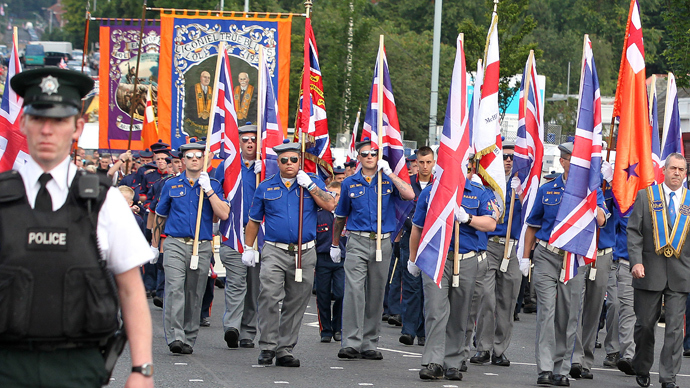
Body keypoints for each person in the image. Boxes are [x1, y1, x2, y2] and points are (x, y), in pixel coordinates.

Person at [0, 67, 154, 387]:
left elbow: (131, 289)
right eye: (38, 118)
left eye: (58, 120)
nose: (47, 130)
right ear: (24, 122)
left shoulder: (103, 201)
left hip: (78, 366)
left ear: (77, 127)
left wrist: (142, 370)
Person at [243, 140, 335, 367]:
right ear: (278, 162)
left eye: (294, 159)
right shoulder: (266, 186)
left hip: (304, 252)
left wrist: (312, 187)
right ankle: (267, 346)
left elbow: (330, 205)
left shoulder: (311, 181)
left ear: (300, 161)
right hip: (275, 250)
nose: (289, 163)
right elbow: (254, 220)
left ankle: (284, 349)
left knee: (296, 301)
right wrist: (248, 247)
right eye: (284, 160)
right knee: (269, 296)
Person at [522, 142, 606, 387]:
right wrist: (526, 258)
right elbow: (533, 224)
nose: (578, 164)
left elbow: (601, 219)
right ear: (563, 161)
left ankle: (561, 369)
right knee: (547, 312)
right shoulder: (548, 189)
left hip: (574, 258)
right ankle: (545, 369)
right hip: (548, 255)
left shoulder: (590, 190)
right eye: (573, 159)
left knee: (568, 315)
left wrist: (593, 203)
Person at [408, 154, 498, 381]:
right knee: (436, 311)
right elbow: (417, 228)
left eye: (464, 168)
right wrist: (412, 258)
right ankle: (433, 361)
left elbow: (490, 222)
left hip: (465, 259)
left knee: (461, 312)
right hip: (436, 258)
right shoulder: (431, 192)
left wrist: (467, 218)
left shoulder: (478, 193)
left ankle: (454, 362)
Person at [332, 138, 414, 360]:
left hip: (382, 241)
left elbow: (409, 195)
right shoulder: (350, 183)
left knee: (376, 293)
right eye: (366, 154)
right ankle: (351, 341)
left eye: (374, 153)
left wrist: (390, 174)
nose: (370, 157)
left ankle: (369, 342)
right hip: (357, 240)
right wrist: (334, 243)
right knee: (355, 291)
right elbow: (340, 217)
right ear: (358, 158)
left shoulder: (387, 180)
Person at [152, 141, 230, 355]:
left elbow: (223, 214)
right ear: (182, 161)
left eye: (198, 155)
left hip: (201, 246)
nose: (194, 159)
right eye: (190, 156)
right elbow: (160, 214)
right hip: (176, 243)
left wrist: (210, 190)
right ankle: (175, 336)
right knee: (175, 289)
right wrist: (154, 245)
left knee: (194, 293)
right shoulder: (171, 184)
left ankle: (189, 336)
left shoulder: (212, 183)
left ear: (205, 159)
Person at [626, 152, 690, 388]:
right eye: (673, 168)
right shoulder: (646, 196)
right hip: (647, 271)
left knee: (674, 329)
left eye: (681, 170)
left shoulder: (689, 201)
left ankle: (668, 378)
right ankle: (642, 366)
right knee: (644, 325)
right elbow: (634, 232)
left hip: (681, 274)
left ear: (685, 174)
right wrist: (635, 261)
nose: (677, 173)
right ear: (664, 170)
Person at [471, 142, 523, 367]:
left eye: (512, 157)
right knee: (486, 298)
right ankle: (483, 347)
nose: (508, 160)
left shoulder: (524, 185)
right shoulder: (487, 184)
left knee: (507, 301)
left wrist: (521, 193)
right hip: (490, 246)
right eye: (504, 157)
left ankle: (500, 349)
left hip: (512, 248)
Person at [215, 125, 262, 349]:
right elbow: (215, 194)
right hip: (234, 232)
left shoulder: (267, 168)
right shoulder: (226, 167)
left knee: (254, 286)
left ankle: (248, 332)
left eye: (254, 139)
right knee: (236, 282)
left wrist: (268, 173)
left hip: (259, 234)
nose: (250, 143)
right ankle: (232, 327)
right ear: (238, 143)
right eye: (245, 140)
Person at [569, 161, 616, 380]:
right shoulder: (578, 184)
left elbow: (624, 209)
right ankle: (575, 357)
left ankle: (586, 359)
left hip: (603, 251)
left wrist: (611, 182)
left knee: (595, 308)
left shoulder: (614, 185)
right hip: (580, 249)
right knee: (575, 305)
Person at [399, 146, 435, 347]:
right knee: (411, 285)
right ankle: (408, 330)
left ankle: (422, 332)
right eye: (421, 162)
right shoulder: (408, 185)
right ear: (415, 163)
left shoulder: (438, 185)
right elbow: (400, 209)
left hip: (430, 241)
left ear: (434, 162)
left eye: (429, 162)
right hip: (410, 238)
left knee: (427, 287)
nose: (424, 166)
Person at [315, 181, 345, 343]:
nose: (334, 197)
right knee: (323, 295)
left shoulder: (346, 213)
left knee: (341, 293)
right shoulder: (320, 213)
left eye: (338, 194)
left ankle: (338, 327)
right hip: (323, 258)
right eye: (331, 194)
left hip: (342, 259)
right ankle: (325, 329)